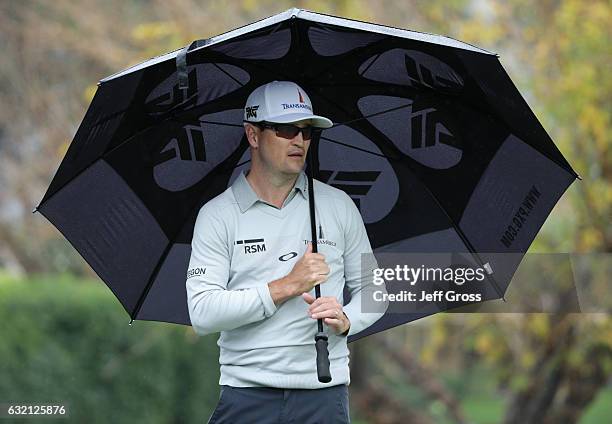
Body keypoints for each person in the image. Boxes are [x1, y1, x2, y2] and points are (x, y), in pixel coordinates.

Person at [186, 80, 387, 424]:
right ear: (253, 135)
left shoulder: (339, 206)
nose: (299, 140)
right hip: (246, 395)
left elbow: (376, 292)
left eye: (307, 131)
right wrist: (287, 286)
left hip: (324, 395)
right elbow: (203, 313)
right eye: (285, 129)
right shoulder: (217, 215)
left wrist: (347, 319)